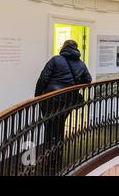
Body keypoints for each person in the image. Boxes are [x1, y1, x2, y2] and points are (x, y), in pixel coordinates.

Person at [35, 40, 92, 174]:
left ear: (64, 47)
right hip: (67, 100)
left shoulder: (55, 60)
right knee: (60, 124)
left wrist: (38, 97)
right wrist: (75, 85)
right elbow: (88, 80)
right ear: (76, 49)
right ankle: (58, 152)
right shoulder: (81, 64)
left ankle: (49, 155)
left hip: (50, 99)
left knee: (49, 126)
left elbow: (43, 79)